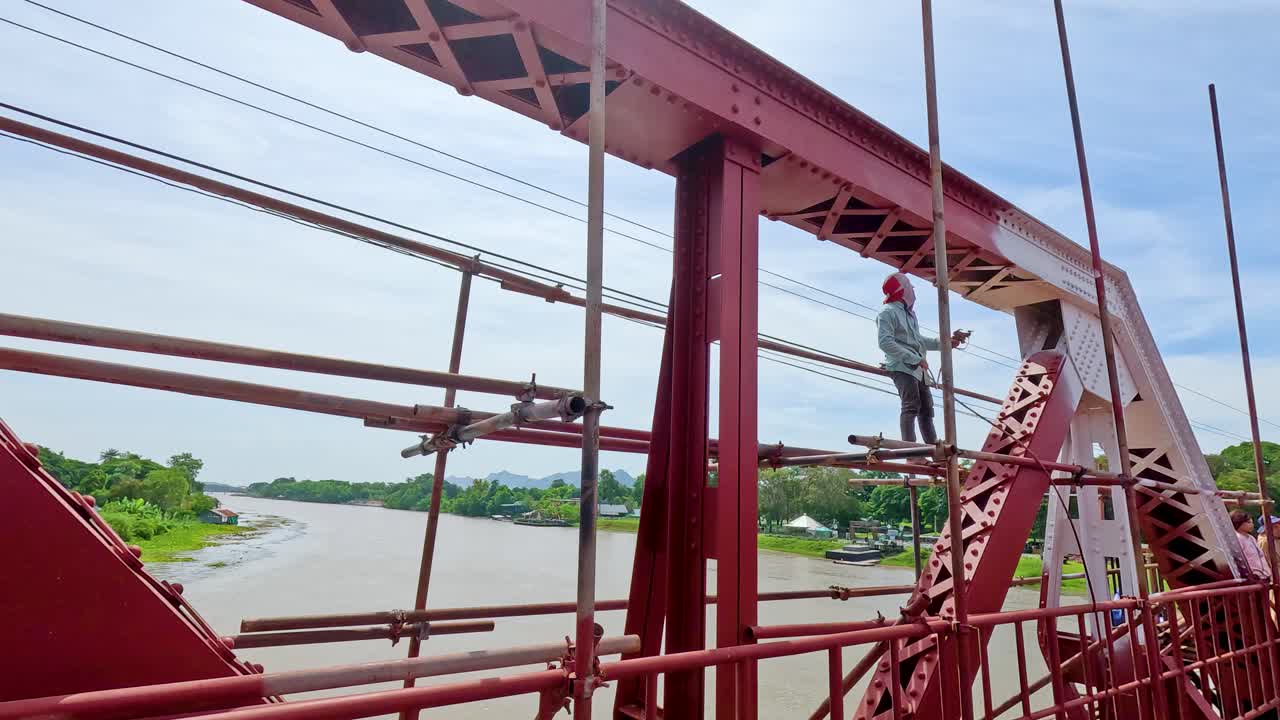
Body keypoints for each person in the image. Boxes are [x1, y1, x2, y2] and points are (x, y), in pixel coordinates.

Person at [877, 272, 965, 444]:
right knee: (911, 406)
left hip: (919, 370)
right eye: (910, 286)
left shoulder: (910, 315)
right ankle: (911, 452)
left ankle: (933, 451)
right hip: (902, 367)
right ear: (903, 290)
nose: (913, 290)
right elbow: (885, 342)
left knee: (926, 411)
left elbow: (919, 340)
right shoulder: (887, 312)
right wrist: (914, 358)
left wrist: (945, 343)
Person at [1232, 510, 1269, 579]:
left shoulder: (1251, 538)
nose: (1252, 525)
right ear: (1238, 523)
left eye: (1252, 522)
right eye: (1249, 522)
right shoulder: (1237, 539)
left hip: (1263, 575)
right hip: (1252, 577)